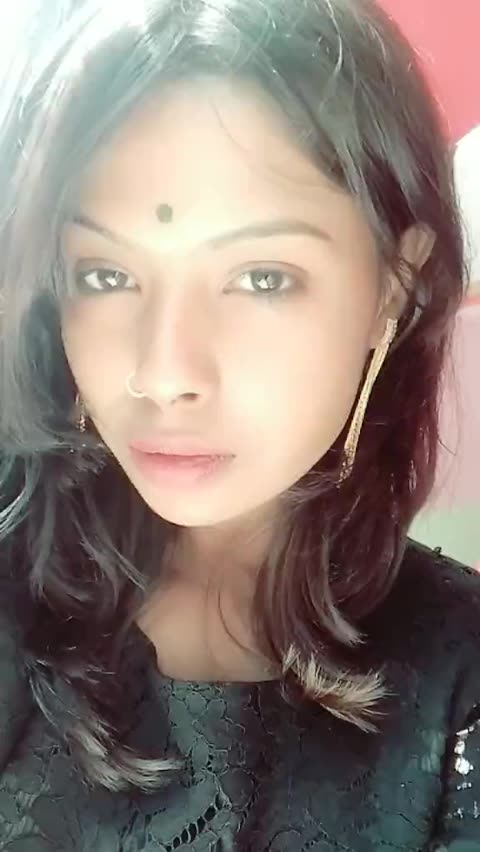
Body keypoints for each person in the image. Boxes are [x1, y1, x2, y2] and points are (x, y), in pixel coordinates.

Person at [0, 0, 479, 849]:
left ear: (394, 290)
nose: (163, 374)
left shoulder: (460, 685)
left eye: (261, 277)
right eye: (105, 274)